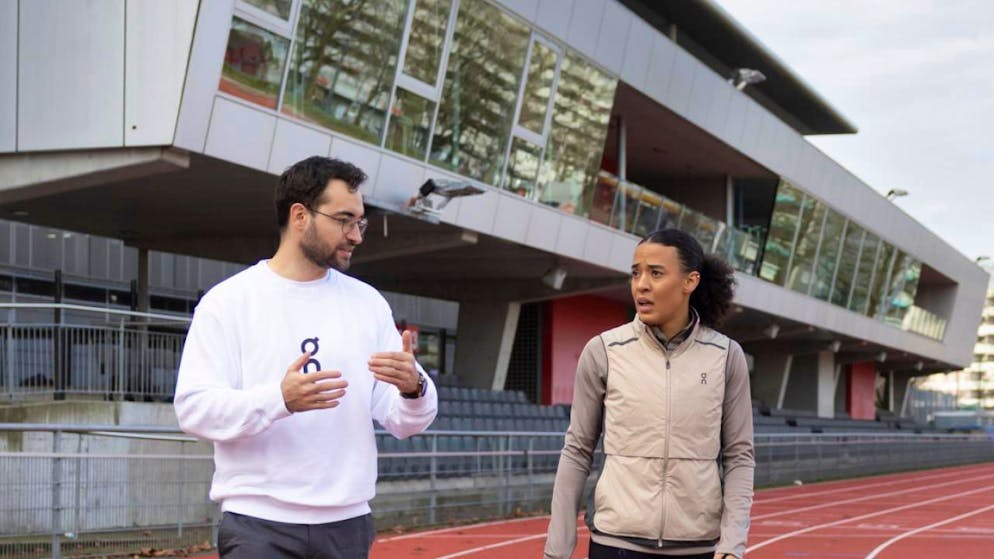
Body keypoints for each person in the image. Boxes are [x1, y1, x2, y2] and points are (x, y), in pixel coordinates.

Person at [174, 156, 437, 559]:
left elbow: (403, 422)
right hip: (258, 525)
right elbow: (194, 410)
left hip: (347, 525)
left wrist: (414, 389)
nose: (356, 236)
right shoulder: (228, 302)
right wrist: (278, 400)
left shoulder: (368, 304)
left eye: (360, 222)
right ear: (300, 216)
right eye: (345, 220)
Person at [544, 228, 754, 559]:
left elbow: (739, 456)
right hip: (616, 544)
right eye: (636, 273)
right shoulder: (604, 351)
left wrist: (732, 544)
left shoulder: (726, 357)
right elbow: (577, 451)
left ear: (690, 282)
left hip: (696, 547)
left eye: (656, 273)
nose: (641, 284)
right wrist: (557, 550)